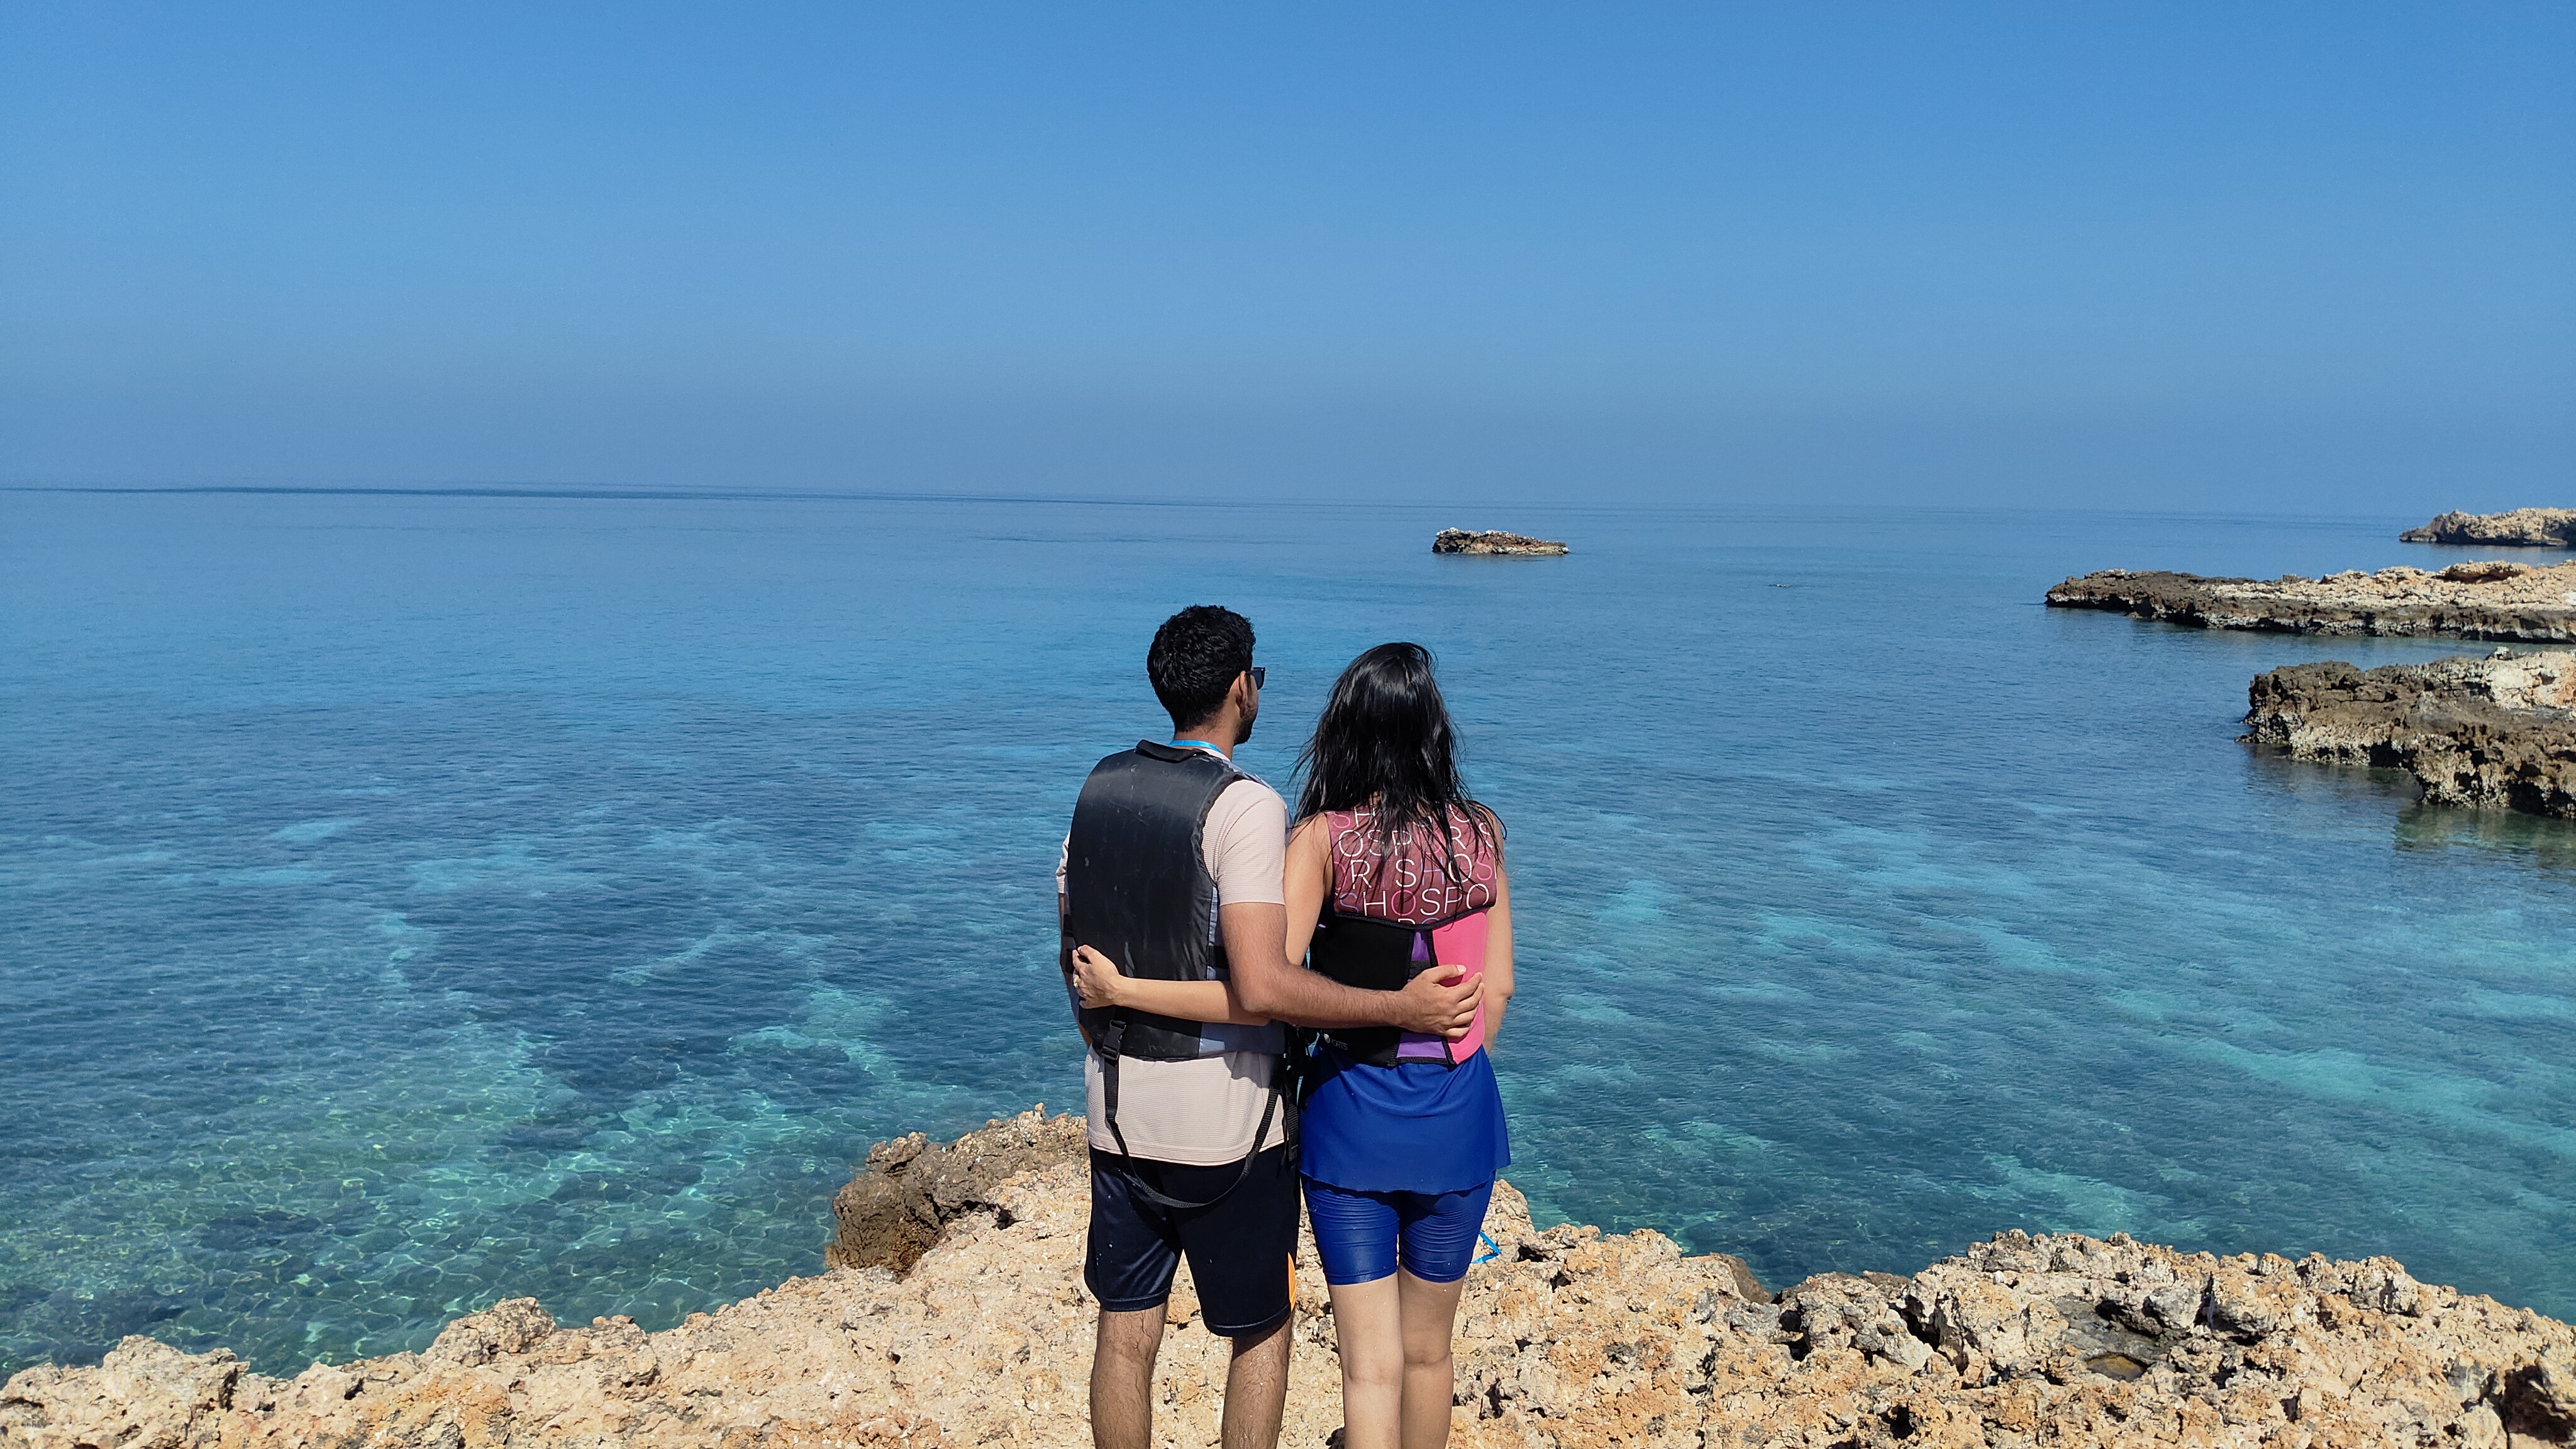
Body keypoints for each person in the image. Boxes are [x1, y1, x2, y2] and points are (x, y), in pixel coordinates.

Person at [1058, 608, 1480, 1449]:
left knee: (1126, 1329)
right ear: (1239, 688)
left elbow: (1072, 952)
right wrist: (1401, 1007)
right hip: (1230, 1122)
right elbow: (1265, 987)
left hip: (1116, 1109)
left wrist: (1111, 1015)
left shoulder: (1096, 786)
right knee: (1259, 1330)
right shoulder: (1245, 806)